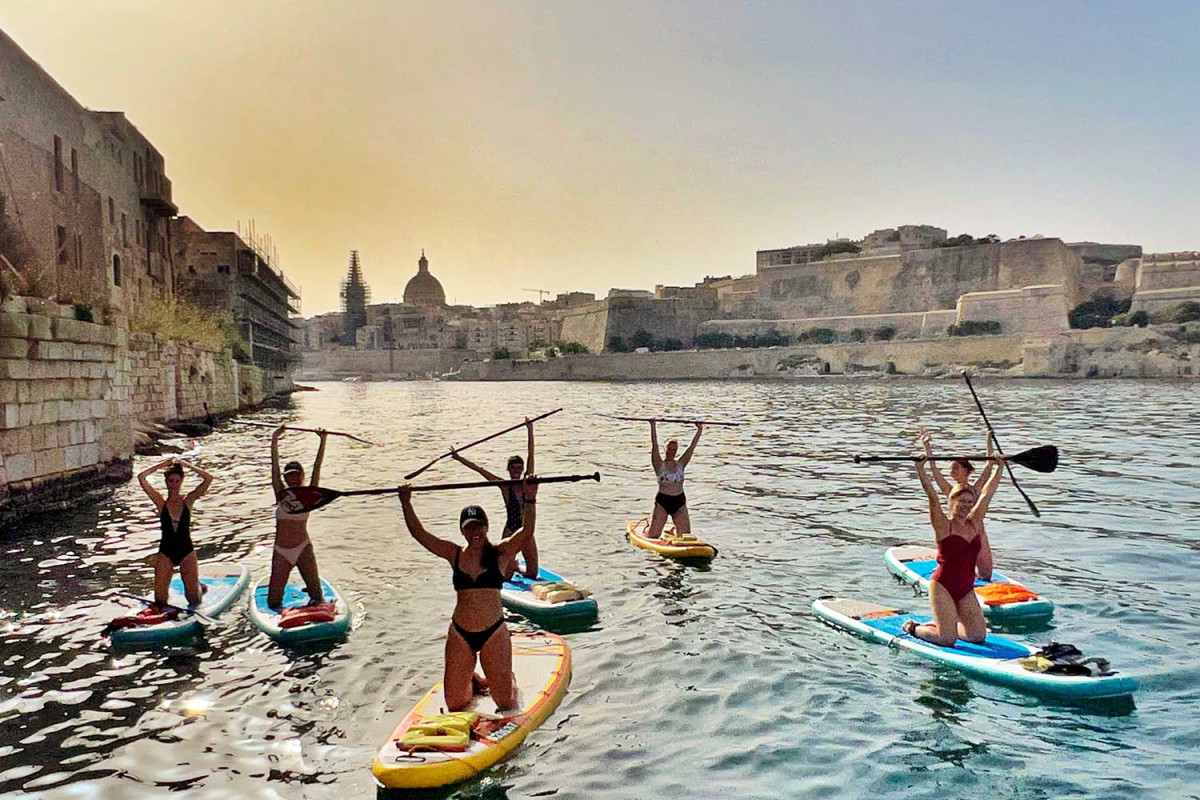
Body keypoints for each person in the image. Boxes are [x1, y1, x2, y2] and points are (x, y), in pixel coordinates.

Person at [396, 477, 539, 711]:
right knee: (455, 704)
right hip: (460, 633)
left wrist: (530, 498)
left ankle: (507, 679)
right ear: (462, 530)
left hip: (494, 632)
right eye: (469, 528)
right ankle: (473, 679)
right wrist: (406, 503)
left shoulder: (501, 553)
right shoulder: (453, 554)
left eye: (478, 527)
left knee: (505, 702)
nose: (474, 532)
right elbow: (420, 535)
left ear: (486, 527)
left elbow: (526, 532)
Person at [904, 436, 1004, 647]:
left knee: (977, 636)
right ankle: (914, 627)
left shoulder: (974, 523)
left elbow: (987, 493)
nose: (966, 505)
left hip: (965, 588)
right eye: (961, 502)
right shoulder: (943, 525)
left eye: (969, 502)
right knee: (947, 639)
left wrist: (999, 467)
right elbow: (932, 495)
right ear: (951, 502)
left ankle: (945, 623)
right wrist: (920, 469)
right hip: (943, 585)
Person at [450, 417, 538, 579]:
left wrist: (530, 430)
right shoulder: (505, 486)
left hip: (526, 531)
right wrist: (459, 458)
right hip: (511, 532)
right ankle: (511, 566)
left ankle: (517, 567)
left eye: (519, 468)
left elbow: (531, 455)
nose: (517, 471)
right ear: (508, 469)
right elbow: (480, 470)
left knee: (532, 573)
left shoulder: (528, 482)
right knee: (506, 577)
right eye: (513, 468)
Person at [920, 429, 996, 581]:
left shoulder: (976, 489)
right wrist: (927, 446)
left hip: (976, 531)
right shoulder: (950, 491)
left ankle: (972, 570)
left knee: (986, 574)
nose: (952, 470)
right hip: (955, 532)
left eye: (955, 467)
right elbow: (934, 470)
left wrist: (989, 439)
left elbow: (989, 465)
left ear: (966, 471)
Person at [136, 459, 213, 608]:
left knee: (193, 600)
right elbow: (141, 477)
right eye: (171, 481)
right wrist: (161, 464)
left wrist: (187, 465)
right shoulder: (160, 502)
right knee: (160, 600)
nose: (174, 484)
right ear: (166, 482)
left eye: (177, 481)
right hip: (166, 551)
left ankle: (199, 587)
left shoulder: (188, 501)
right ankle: (191, 583)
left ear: (182, 481)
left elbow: (208, 478)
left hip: (186, 551)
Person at [269, 425, 328, 609]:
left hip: (303, 548)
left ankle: (312, 591)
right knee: (273, 602)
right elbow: (274, 467)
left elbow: (317, 467)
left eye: (296, 475)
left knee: (317, 597)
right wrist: (275, 439)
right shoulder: (280, 493)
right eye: (289, 476)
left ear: (302, 476)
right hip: (281, 551)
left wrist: (322, 441)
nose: (292, 479)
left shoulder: (309, 495)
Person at [645, 421, 702, 538]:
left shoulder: (681, 464)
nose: (671, 452)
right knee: (653, 535)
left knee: (685, 536)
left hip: (679, 502)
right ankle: (647, 527)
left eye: (674, 450)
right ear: (665, 449)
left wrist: (699, 430)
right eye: (669, 449)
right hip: (662, 502)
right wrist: (653, 425)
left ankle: (673, 531)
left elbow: (691, 448)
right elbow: (654, 445)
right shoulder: (659, 465)